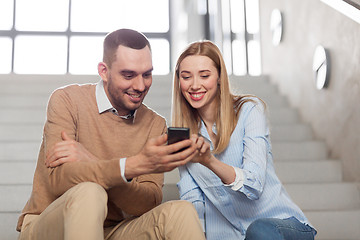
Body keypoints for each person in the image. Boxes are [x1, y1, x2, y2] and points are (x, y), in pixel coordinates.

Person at [17, 28, 205, 240]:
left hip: (113, 231)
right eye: (128, 75)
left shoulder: (155, 124)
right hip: (50, 226)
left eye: (147, 74)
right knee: (90, 192)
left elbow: (147, 203)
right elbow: (59, 181)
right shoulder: (66, 100)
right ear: (104, 71)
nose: (140, 85)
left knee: (181, 212)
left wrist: (91, 161)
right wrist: (131, 166)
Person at [171, 40, 317, 240]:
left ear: (219, 77)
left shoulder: (249, 110)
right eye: (186, 77)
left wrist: (209, 162)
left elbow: (253, 184)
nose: (195, 85)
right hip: (228, 235)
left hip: (279, 227)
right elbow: (193, 198)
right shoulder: (185, 134)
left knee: (260, 232)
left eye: (204, 75)